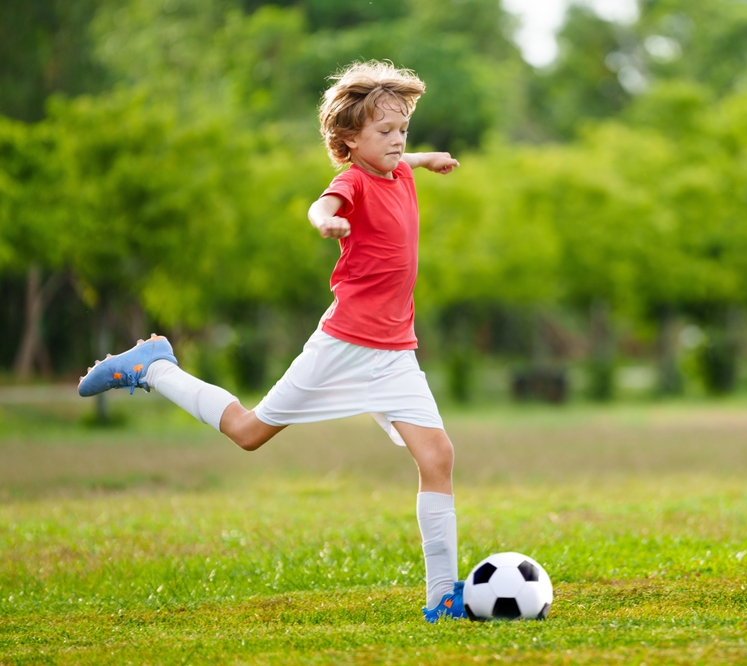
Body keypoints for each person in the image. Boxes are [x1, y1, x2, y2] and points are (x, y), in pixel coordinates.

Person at [78, 60, 466, 623]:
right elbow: (323, 204)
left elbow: (403, 159)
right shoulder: (352, 182)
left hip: (395, 353)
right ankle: (155, 367)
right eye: (385, 132)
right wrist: (324, 223)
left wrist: (426, 158)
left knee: (439, 456)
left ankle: (442, 600)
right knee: (249, 432)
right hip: (343, 347)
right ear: (349, 140)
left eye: (402, 128)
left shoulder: (398, 169)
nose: (397, 140)